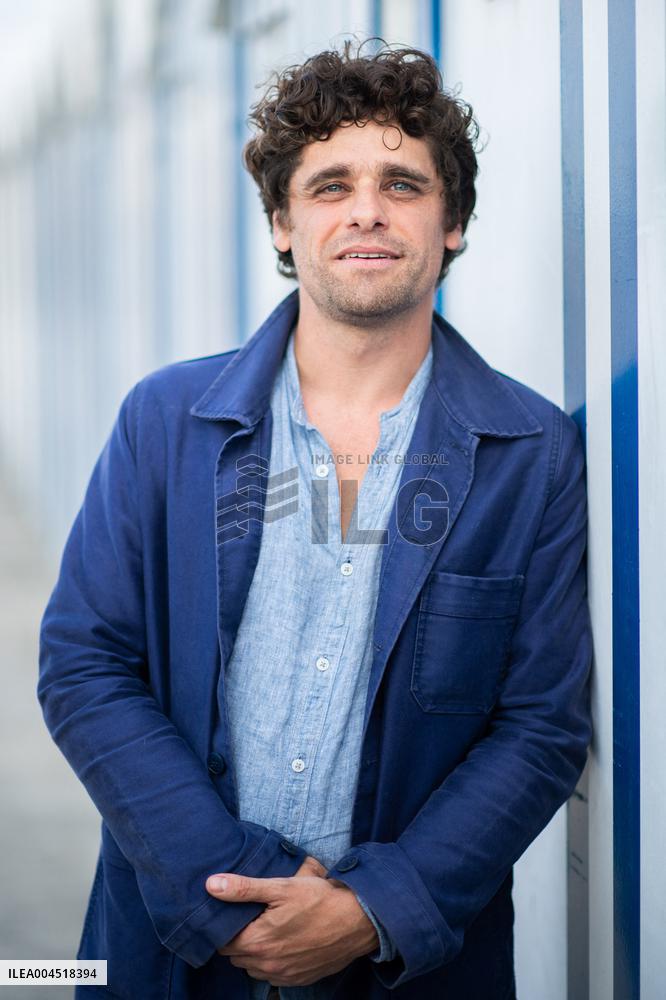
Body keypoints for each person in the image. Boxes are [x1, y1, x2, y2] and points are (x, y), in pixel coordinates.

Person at [38, 41, 592, 1000]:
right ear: (285, 226)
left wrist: (373, 910)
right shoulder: (167, 423)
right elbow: (86, 665)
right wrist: (224, 900)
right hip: (175, 951)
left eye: (403, 184)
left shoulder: (528, 452)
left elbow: (539, 727)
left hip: (404, 969)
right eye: (330, 184)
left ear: (452, 222)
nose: (367, 210)